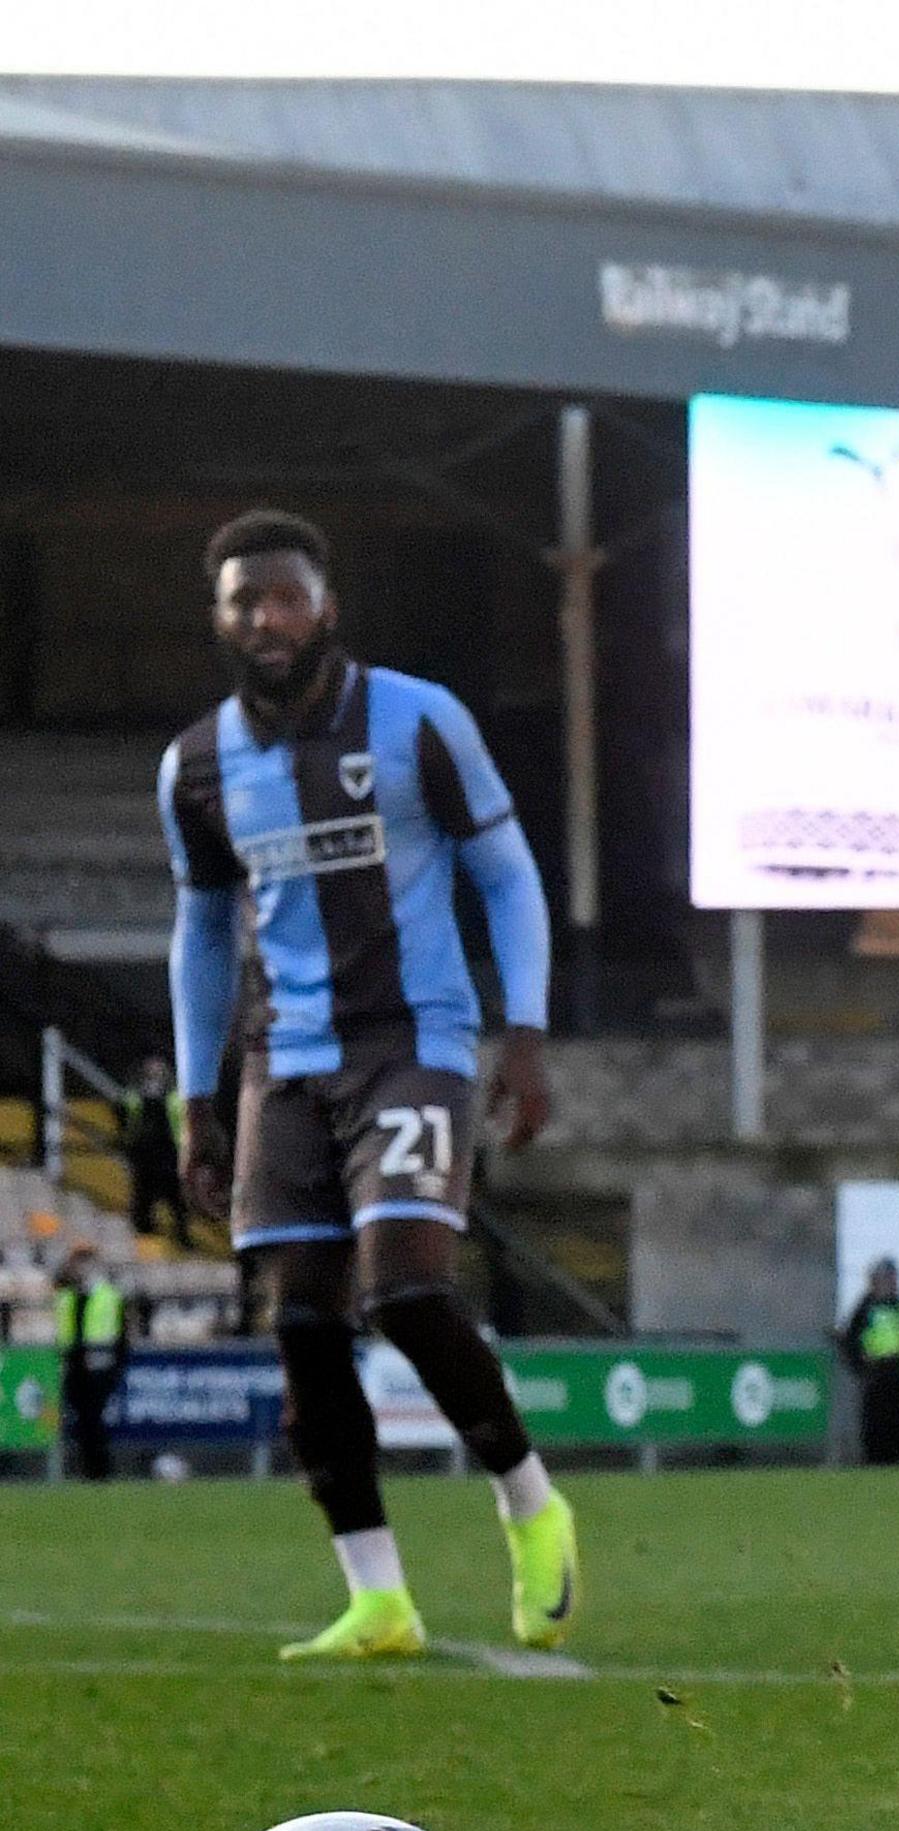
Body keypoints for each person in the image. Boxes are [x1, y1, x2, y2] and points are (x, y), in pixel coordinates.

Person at [160, 507, 575, 1662]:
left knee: (402, 1291)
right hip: (283, 1061)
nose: (266, 618)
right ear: (221, 618)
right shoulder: (194, 766)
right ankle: (376, 1594)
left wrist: (525, 1035)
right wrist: (199, 1101)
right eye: (245, 600)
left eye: (285, 595)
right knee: (301, 1322)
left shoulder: (416, 719)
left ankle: (532, 1502)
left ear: (326, 604)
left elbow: (506, 873)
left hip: (415, 1037)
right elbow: (200, 937)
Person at [52, 1244, 135, 1483]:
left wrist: (116, 1364)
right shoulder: (68, 1295)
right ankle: (91, 1470)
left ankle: (98, 1471)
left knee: (92, 1417)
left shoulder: (108, 1295)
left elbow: (122, 1334)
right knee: (82, 1419)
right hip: (73, 1362)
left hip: (100, 1364)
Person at [841, 1256, 899, 1465]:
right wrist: (861, 1366)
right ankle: (875, 1460)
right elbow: (851, 1340)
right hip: (876, 1370)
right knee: (876, 1419)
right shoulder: (866, 1307)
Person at [122, 1056, 188, 1245]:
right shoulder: (136, 1095)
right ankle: (143, 1230)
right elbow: (128, 1117)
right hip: (145, 1154)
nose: (155, 1075)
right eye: (151, 1071)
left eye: (158, 1071)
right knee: (143, 1194)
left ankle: (181, 1234)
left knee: (176, 1197)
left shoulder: (175, 1096)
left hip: (170, 1154)